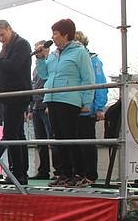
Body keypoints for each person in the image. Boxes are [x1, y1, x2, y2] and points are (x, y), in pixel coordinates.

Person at [35, 18, 95, 187]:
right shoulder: (54, 54)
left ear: (65, 34)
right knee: (58, 139)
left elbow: (88, 78)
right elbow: (44, 74)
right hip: (52, 98)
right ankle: (65, 173)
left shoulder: (79, 52)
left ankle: (79, 173)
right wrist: (40, 59)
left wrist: (86, 102)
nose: (53, 37)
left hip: (69, 100)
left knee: (70, 137)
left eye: (55, 33)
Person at [0, 20, 33, 185]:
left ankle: (18, 173)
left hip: (17, 95)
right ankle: (19, 172)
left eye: (2, 34)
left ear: (10, 29)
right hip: (9, 95)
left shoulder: (21, 44)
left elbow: (14, 66)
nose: (1, 38)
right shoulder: (7, 47)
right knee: (17, 134)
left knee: (12, 134)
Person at [74, 30, 108, 186]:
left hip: (88, 108)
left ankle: (90, 174)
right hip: (73, 107)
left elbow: (100, 83)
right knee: (74, 142)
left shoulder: (94, 60)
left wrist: (99, 107)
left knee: (87, 142)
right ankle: (78, 173)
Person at [28, 40, 55, 180]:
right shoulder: (36, 68)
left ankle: (58, 171)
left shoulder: (51, 63)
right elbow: (34, 87)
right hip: (37, 106)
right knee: (40, 140)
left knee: (52, 139)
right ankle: (43, 170)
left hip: (46, 105)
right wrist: (30, 108)